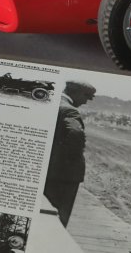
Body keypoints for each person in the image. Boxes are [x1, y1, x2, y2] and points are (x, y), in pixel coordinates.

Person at [44, 80, 95, 226]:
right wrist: (70, 159)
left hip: (49, 170)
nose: (85, 102)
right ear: (76, 92)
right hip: (64, 175)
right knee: (59, 216)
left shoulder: (51, 103)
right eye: (86, 97)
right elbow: (75, 134)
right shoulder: (70, 110)